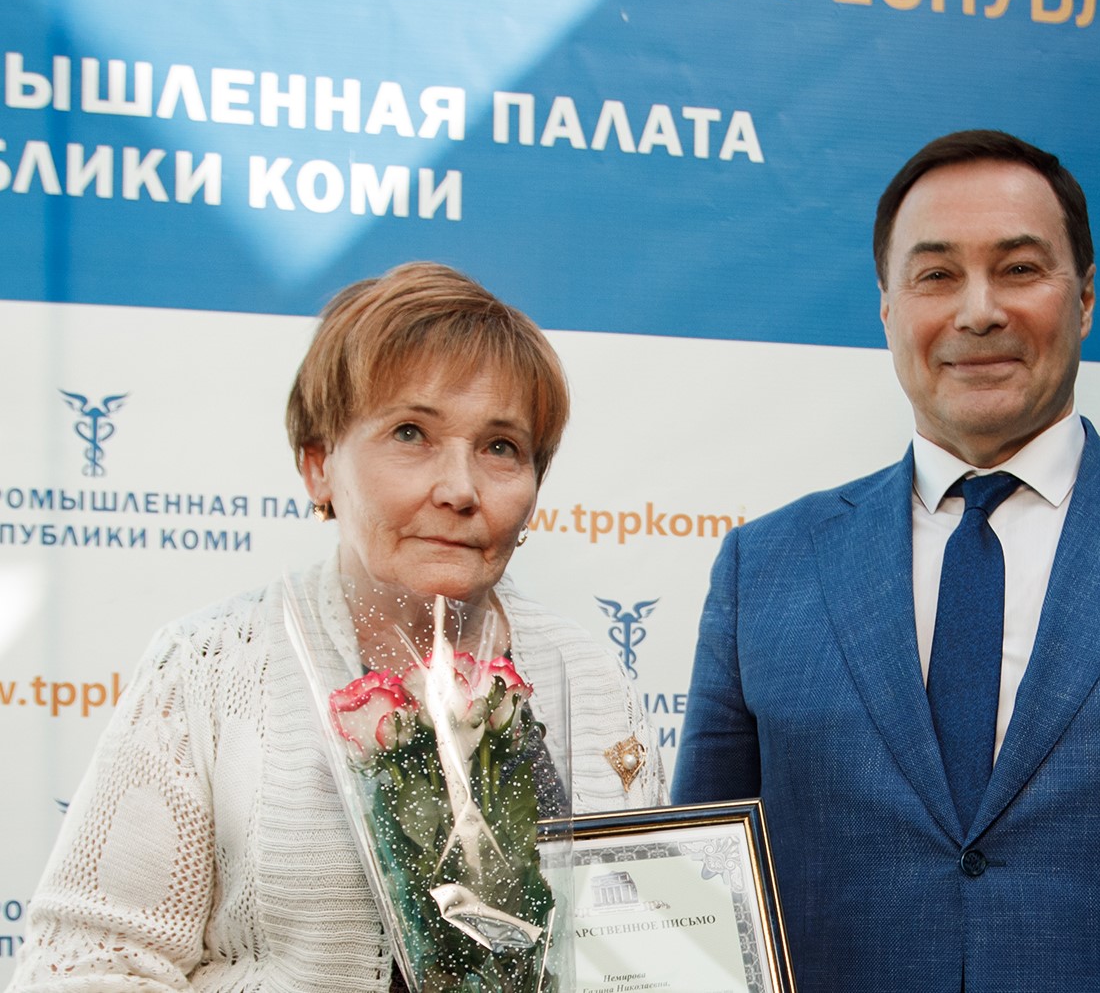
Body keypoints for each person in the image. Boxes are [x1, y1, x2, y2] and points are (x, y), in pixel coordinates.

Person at [673, 130, 1100, 991]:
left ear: (1084, 299)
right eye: (936, 275)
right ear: (888, 309)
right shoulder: (764, 569)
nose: (978, 312)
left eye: (1018, 268)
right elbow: (698, 916)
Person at [8, 261, 665, 992]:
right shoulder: (208, 667)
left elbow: (650, 950)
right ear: (318, 465)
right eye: (411, 433)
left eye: (501, 446)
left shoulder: (589, 677)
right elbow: (86, 967)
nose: (460, 489)